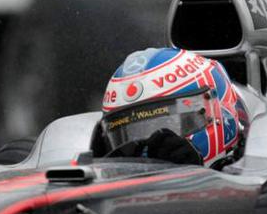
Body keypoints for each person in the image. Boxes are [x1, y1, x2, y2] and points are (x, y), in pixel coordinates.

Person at [97, 47, 248, 168]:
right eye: (132, 133)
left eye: (166, 124)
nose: (147, 148)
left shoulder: (256, 177)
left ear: (216, 112)